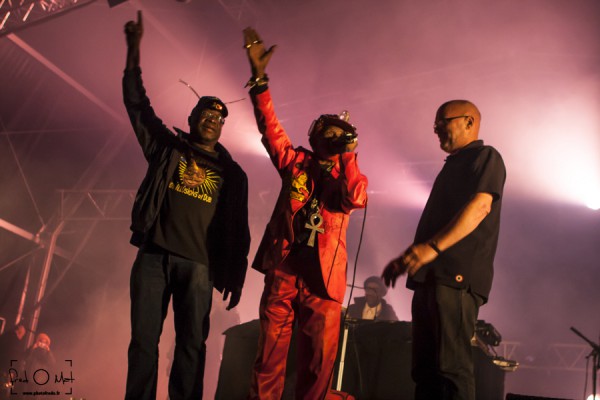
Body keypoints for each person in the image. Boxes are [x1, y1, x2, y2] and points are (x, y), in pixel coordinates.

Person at [122, 11, 250, 400]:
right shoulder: (167, 148)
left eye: (218, 118)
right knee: (143, 343)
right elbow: (138, 106)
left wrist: (235, 274)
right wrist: (133, 52)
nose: (212, 120)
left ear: (223, 128)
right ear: (192, 118)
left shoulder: (233, 174)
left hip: (199, 267)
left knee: (191, 346)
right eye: (205, 114)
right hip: (153, 258)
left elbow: (239, 230)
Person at [242, 27, 368, 400]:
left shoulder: (350, 174)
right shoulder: (296, 161)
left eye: (337, 132)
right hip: (284, 269)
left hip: (322, 282)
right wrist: (260, 82)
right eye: (326, 130)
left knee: (318, 367)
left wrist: (348, 155)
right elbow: (270, 129)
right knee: (268, 359)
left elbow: (355, 198)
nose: (330, 134)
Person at [382, 100, 506, 400]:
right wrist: (408, 258)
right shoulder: (453, 165)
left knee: (451, 369)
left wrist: (432, 248)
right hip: (431, 277)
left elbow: (480, 207)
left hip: (455, 277)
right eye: (435, 123)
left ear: (469, 122)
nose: (436, 128)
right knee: (425, 372)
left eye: (443, 121)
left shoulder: (486, 156)